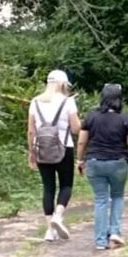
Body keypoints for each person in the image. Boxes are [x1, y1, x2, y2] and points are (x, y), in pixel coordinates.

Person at [76, 84, 128, 250]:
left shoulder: (91, 117)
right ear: (119, 99)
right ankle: (115, 231)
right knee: (117, 196)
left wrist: (79, 160)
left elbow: (82, 141)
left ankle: (100, 241)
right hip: (117, 163)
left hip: (94, 162)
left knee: (100, 199)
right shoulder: (125, 119)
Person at [27, 69, 81, 242]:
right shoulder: (68, 102)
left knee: (48, 187)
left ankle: (50, 230)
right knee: (66, 185)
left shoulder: (35, 102)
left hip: (42, 148)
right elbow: (75, 128)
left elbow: (30, 130)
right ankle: (58, 216)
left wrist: (31, 151)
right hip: (64, 147)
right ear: (63, 84)